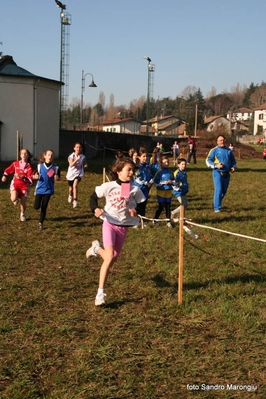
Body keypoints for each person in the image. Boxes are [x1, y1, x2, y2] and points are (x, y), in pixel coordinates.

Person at [86, 158, 146, 306]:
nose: (132, 173)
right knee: (108, 258)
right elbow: (93, 197)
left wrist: (135, 210)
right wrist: (95, 209)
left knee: (111, 257)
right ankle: (100, 294)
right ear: (119, 172)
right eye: (128, 170)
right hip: (109, 223)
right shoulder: (109, 186)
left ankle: (96, 248)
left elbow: (141, 204)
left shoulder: (132, 189)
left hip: (123, 227)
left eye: (133, 170)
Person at [206, 135, 236, 212]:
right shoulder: (214, 150)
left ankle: (216, 202)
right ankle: (217, 208)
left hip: (226, 173)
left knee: (224, 191)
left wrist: (233, 167)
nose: (222, 142)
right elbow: (208, 160)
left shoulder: (229, 150)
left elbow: (233, 160)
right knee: (218, 190)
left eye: (223, 140)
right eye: (220, 140)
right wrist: (216, 165)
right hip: (217, 172)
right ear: (217, 142)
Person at [1, 148, 34, 221]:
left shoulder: (29, 167)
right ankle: (15, 198)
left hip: (24, 186)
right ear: (20, 155)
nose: (24, 155)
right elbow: (8, 170)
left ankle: (22, 214)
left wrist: (22, 177)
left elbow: (30, 180)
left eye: (25, 154)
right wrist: (4, 176)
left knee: (23, 202)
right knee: (13, 199)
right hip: (16, 184)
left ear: (28, 156)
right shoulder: (15, 164)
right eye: (22, 153)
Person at [33, 150, 60, 230]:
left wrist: (57, 178)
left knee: (44, 207)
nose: (50, 157)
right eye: (48, 155)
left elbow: (58, 176)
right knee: (36, 206)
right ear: (45, 156)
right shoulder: (39, 166)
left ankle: (40, 223)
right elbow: (34, 174)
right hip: (39, 189)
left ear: (53, 158)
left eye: (51, 156)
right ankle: (40, 216)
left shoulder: (55, 168)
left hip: (48, 190)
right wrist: (35, 176)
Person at [153, 155, 174, 228]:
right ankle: (155, 219)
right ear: (161, 163)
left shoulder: (171, 172)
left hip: (168, 192)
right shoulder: (159, 172)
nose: (167, 163)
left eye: (167, 162)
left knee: (168, 207)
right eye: (165, 162)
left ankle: (168, 221)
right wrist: (163, 183)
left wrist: (172, 182)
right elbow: (155, 182)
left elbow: (174, 181)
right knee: (161, 207)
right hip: (161, 192)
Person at [133, 148, 153, 224]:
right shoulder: (137, 166)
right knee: (137, 206)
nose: (145, 158)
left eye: (146, 156)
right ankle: (135, 221)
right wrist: (145, 183)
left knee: (143, 205)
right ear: (139, 157)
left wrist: (151, 181)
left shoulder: (148, 166)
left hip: (145, 189)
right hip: (138, 189)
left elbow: (150, 175)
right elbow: (137, 178)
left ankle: (142, 221)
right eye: (143, 156)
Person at [66, 143, 87, 208]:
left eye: (80, 147)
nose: (78, 149)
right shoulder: (71, 156)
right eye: (77, 147)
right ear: (74, 148)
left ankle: (75, 201)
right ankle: (70, 195)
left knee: (75, 185)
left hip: (79, 173)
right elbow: (71, 165)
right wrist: (77, 159)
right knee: (71, 188)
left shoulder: (83, 157)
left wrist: (85, 165)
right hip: (71, 174)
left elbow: (85, 163)